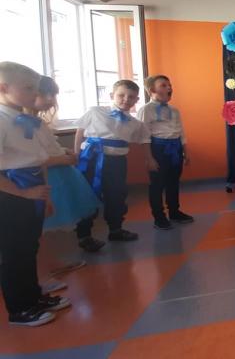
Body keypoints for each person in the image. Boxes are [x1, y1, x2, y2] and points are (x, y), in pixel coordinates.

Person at [0, 62, 69, 327]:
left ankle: (33, 296)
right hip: (11, 192)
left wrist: (44, 197)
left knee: (29, 247)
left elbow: (40, 161)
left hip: (32, 189)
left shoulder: (28, 120)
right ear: (3, 88)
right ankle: (19, 308)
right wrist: (23, 192)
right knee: (14, 252)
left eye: (35, 88)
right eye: (28, 88)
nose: (34, 93)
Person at [75, 80, 153, 252]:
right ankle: (84, 235)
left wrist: (150, 159)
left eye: (131, 97)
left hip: (117, 162)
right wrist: (76, 154)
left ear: (136, 100)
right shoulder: (95, 111)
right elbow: (80, 130)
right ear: (112, 95)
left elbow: (145, 139)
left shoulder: (135, 123)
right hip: (92, 159)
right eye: (121, 95)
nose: (126, 99)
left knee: (117, 195)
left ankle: (115, 230)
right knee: (89, 194)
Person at [31, 76, 99, 231]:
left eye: (53, 94)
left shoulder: (39, 121)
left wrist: (64, 151)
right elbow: (35, 157)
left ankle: (85, 236)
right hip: (49, 175)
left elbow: (47, 146)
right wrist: (64, 159)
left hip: (62, 171)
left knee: (79, 208)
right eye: (44, 93)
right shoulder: (24, 124)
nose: (50, 99)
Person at [137, 75, 194, 229]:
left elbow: (181, 132)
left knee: (173, 182)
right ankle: (159, 217)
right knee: (157, 184)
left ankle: (174, 211)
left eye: (169, 85)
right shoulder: (146, 110)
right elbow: (144, 136)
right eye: (163, 85)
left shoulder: (174, 110)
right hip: (158, 149)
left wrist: (185, 151)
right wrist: (149, 158)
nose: (169, 88)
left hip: (175, 148)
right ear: (152, 90)